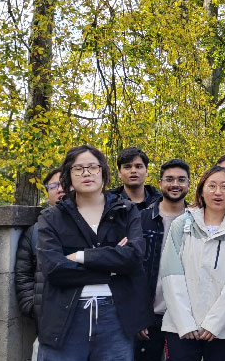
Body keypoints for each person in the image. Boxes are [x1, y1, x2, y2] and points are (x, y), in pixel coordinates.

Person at [35, 145, 150, 361]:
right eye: (78, 168)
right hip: (65, 316)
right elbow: (54, 269)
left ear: (103, 172)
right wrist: (114, 266)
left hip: (115, 315)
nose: (86, 173)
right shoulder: (52, 218)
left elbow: (134, 258)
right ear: (69, 175)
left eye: (93, 167)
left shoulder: (125, 211)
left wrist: (81, 256)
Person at [159, 165, 225, 361]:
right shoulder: (182, 225)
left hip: (223, 330)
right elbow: (171, 275)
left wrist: (214, 324)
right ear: (201, 190)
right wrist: (185, 323)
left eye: (224, 186)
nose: (218, 192)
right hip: (180, 327)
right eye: (212, 186)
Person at [136, 159, 190, 361]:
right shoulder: (141, 219)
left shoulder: (197, 222)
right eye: (169, 179)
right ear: (159, 183)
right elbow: (132, 272)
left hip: (183, 315)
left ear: (188, 184)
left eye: (181, 180)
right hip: (149, 314)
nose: (175, 184)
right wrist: (138, 315)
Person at [15, 168, 64, 361]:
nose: (60, 190)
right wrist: (33, 306)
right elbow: (22, 273)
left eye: (64, 184)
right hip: (47, 322)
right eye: (54, 186)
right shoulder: (35, 231)